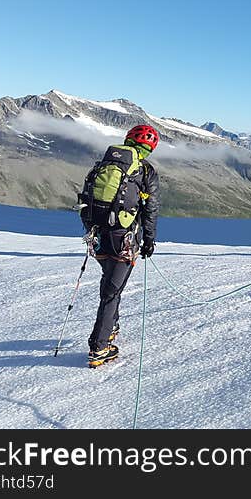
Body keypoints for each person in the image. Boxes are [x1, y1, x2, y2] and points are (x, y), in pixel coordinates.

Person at [80, 125, 160, 368]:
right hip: (122, 236)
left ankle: (111, 326)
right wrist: (149, 239)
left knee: (109, 281)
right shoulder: (145, 171)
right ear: (150, 147)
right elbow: (150, 209)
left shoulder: (104, 163)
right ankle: (99, 347)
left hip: (96, 233)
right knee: (111, 292)